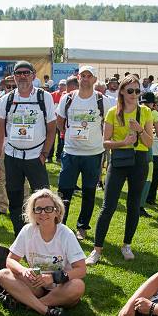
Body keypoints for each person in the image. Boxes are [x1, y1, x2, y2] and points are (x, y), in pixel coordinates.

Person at [86, 74, 153, 265]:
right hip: (119, 160)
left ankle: (127, 245)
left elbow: (149, 143)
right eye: (130, 90)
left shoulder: (145, 111)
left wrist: (140, 130)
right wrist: (123, 142)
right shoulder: (113, 112)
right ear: (122, 91)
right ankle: (97, 249)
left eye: (137, 91)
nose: (134, 94)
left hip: (139, 160)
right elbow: (105, 142)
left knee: (134, 204)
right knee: (108, 206)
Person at [0, 188, 86, 316]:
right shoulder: (28, 230)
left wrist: (52, 278)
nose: (43, 213)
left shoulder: (66, 234)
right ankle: (44, 309)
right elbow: (10, 260)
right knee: (3, 274)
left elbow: (81, 269)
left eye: (48, 209)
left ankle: (29, 303)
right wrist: (23, 270)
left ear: (57, 211)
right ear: (32, 212)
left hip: (60, 288)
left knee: (78, 286)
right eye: (38, 209)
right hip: (36, 285)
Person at [0, 61, 56, 235]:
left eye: (26, 73)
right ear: (14, 77)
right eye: (18, 73)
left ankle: (45, 233)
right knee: (15, 199)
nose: (22, 76)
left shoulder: (44, 97)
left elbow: (52, 129)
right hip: (12, 157)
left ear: (33, 75)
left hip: (36, 156)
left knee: (43, 198)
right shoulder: (6, 100)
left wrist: (44, 154)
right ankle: (20, 235)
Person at [56, 65, 106, 240]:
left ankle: (82, 227)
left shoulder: (102, 100)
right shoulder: (68, 98)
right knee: (64, 191)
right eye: (82, 76)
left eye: (88, 76)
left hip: (93, 153)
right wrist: (68, 135)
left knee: (89, 192)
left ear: (94, 80)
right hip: (71, 152)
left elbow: (109, 122)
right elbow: (60, 121)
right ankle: (60, 225)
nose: (85, 79)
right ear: (78, 78)